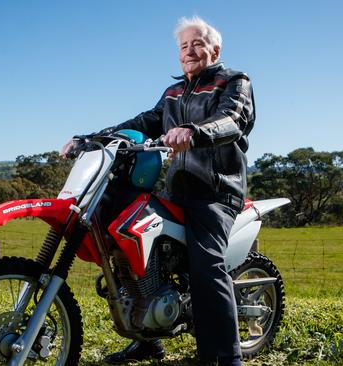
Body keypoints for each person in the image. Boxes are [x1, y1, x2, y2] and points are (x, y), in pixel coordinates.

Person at [62, 16, 255, 366]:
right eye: (183, 46)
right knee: (135, 255)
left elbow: (233, 120)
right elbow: (142, 122)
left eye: (197, 43)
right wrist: (92, 138)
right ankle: (149, 339)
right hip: (175, 191)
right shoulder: (173, 92)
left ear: (215, 48)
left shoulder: (233, 81)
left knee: (205, 266)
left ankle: (227, 357)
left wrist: (193, 131)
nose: (189, 51)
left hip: (215, 192)